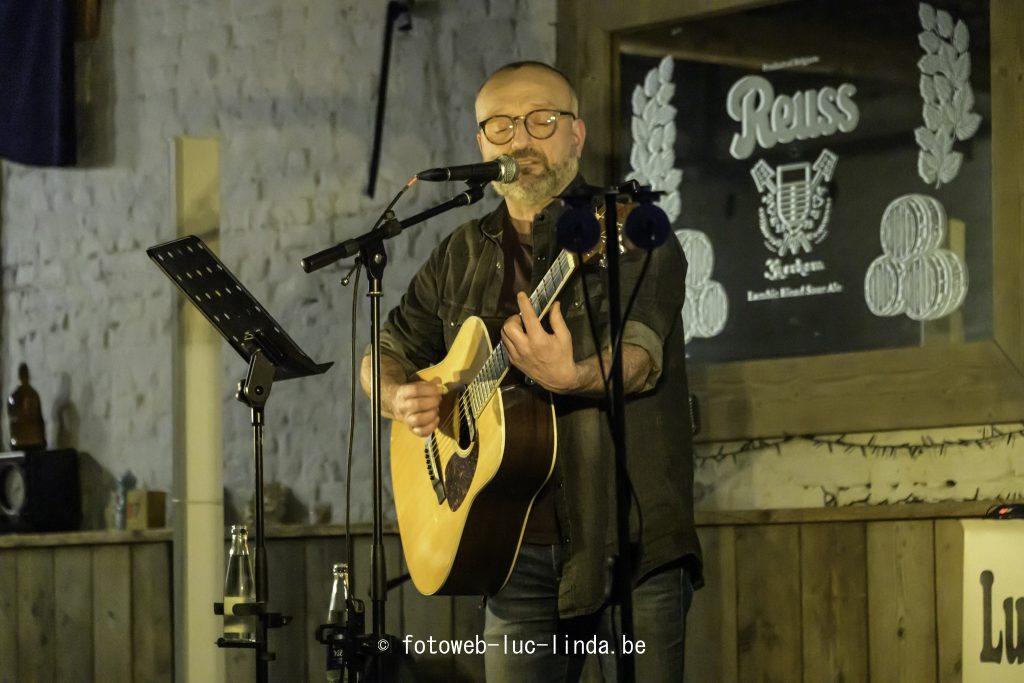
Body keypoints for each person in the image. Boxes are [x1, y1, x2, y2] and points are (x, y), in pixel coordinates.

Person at [361, 61, 702, 682]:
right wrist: (396, 394)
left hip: (628, 545)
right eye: (501, 126)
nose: (520, 139)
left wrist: (574, 377)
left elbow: (641, 358)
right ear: (481, 145)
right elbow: (387, 347)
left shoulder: (629, 229)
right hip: (508, 547)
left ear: (576, 134)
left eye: (541, 120)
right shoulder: (460, 252)